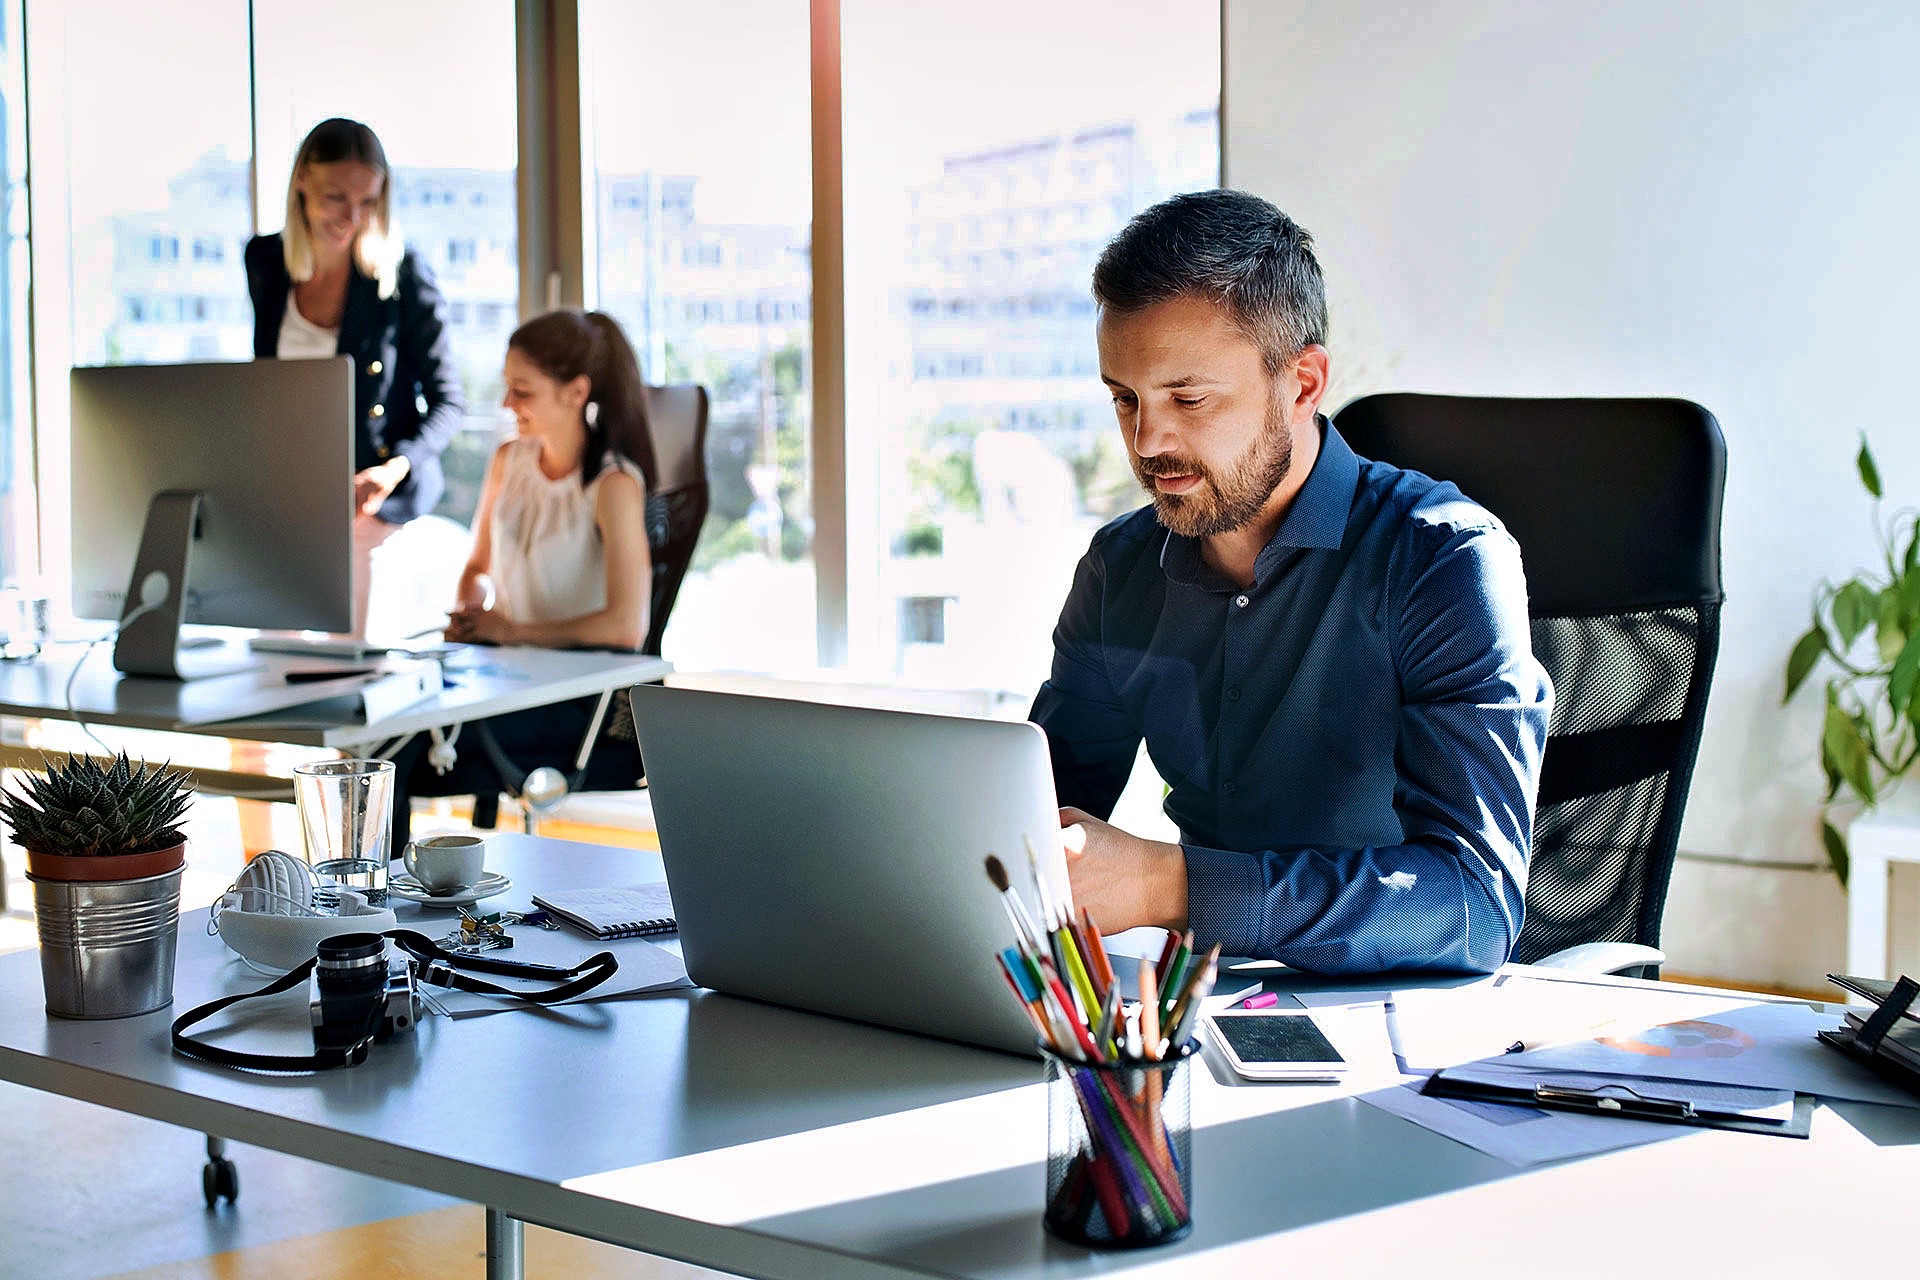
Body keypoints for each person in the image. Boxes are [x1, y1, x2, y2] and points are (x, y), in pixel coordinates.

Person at [1030, 190, 1552, 975]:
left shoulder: (1444, 560)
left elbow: (1475, 906)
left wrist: (1172, 884)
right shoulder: (1119, 570)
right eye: (1125, 399)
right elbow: (1034, 820)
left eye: (1189, 398)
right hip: (1202, 1005)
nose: (1148, 439)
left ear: (1303, 384)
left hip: (1408, 1019)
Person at [389, 309, 658, 850]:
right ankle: (366, 908)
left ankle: (368, 910)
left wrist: (510, 632)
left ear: (575, 392)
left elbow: (627, 627)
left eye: (522, 391)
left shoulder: (613, 485)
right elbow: (476, 567)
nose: (507, 405)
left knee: (395, 753)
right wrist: (470, 619)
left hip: (579, 699)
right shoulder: (509, 460)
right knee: (380, 724)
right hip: (504, 679)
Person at [244, 117, 464, 637]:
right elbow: (263, 388)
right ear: (301, 181)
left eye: (368, 201)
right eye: (335, 196)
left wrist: (394, 469)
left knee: (350, 650)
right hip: (292, 486)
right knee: (273, 647)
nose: (352, 216)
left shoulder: (402, 274)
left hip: (377, 487)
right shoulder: (266, 262)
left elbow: (448, 402)